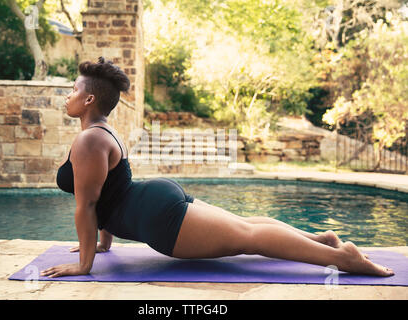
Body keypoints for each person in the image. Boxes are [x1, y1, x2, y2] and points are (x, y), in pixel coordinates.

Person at [40, 57, 394, 278]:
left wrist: (85, 264)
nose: (67, 96)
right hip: (153, 201)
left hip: (157, 219)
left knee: (249, 238)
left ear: (89, 99)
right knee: (247, 226)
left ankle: (343, 258)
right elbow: (107, 196)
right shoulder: (103, 133)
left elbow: (88, 205)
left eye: (72, 90)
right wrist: (103, 244)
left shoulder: (88, 140)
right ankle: (323, 239)